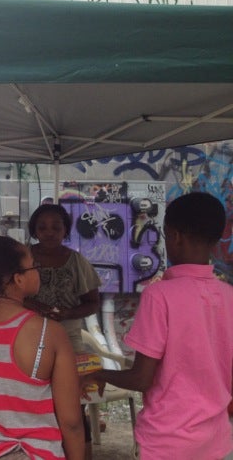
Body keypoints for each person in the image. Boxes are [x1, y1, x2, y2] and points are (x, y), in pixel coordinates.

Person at [84, 192, 233, 459]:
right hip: (216, 439)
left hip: (167, 440)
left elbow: (142, 379)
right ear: (217, 238)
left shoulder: (160, 294)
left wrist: (100, 374)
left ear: (174, 236)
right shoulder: (228, 296)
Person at [0, 236, 85, 460]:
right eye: (34, 265)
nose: (38, 270)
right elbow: (72, 423)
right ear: (18, 279)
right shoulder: (51, 333)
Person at [24, 203, 101, 458]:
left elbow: (93, 302)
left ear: (65, 230)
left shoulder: (76, 261)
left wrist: (67, 313)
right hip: (28, 337)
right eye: (43, 227)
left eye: (56, 227)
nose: (49, 232)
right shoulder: (22, 258)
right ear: (34, 230)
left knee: (74, 403)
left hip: (69, 339)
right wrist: (34, 306)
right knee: (33, 400)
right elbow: (6, 294)